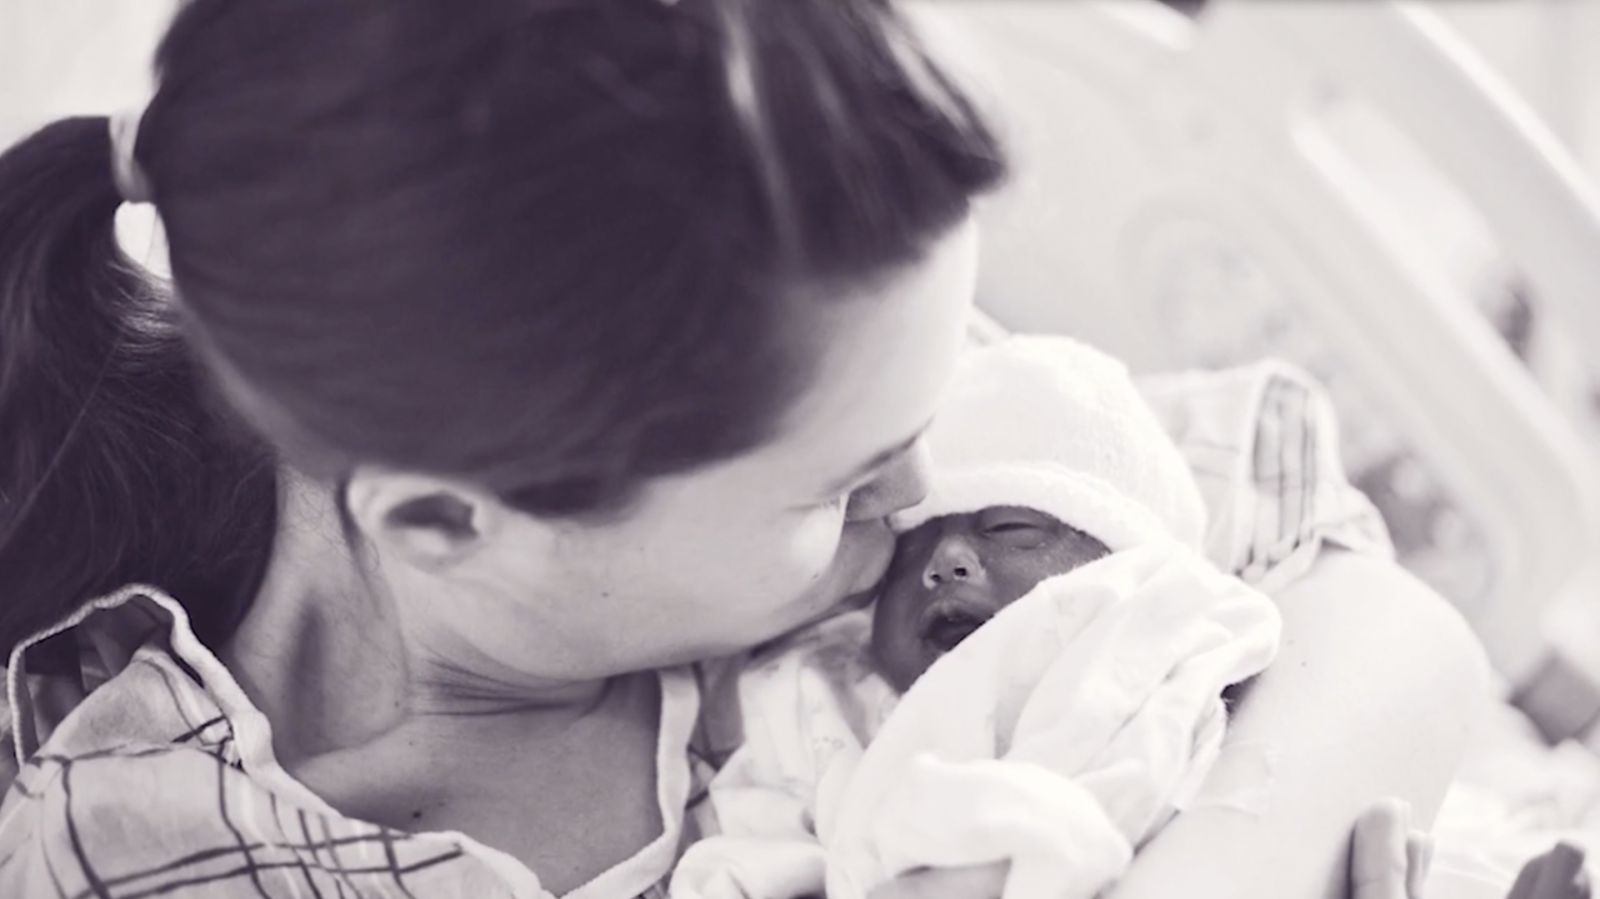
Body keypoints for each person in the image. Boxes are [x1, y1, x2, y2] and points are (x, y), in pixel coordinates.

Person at [0, 1, 1486, 897]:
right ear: (453, 518)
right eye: (841, 484)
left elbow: (1386, 620)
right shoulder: (180, 838)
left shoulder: (851, 426)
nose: (923, 496)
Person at [673, 334, 1283, 899]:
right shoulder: (813, 696)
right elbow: (743, 851)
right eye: (909, 554)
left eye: (1011, 531)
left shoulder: (1138, 647)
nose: (944, 561)